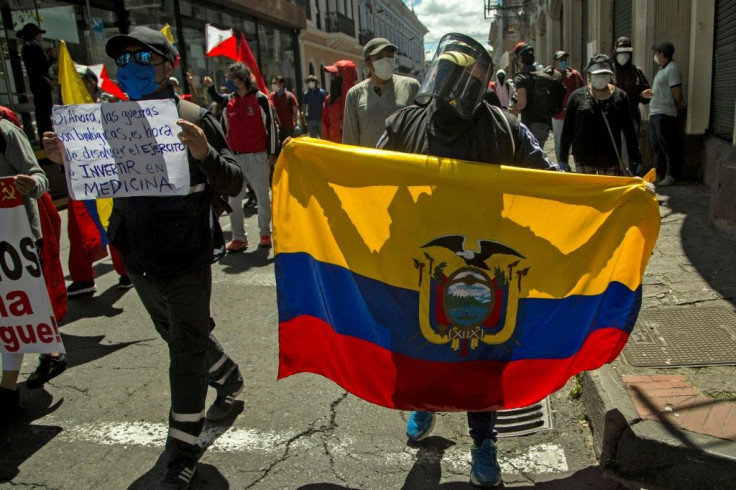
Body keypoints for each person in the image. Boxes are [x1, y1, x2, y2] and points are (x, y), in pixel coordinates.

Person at [43, 26, 245, 488]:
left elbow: (233, 182)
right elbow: (100, 179)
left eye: (142, 59)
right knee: (175, 336)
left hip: (186, 256)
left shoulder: (194, 115)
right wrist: (67, 160)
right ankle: (228, 376)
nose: (130, 69)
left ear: (167, 66)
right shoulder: (109, 119)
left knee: (185, 353)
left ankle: (181, 450)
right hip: (136, 254)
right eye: (123, 62)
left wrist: (203, 150)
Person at [378, 32, 557, 488]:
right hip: (420, 260)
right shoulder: (405, 123)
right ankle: (425, 403)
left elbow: (551, 180)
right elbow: (367, 169)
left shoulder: (505, 128)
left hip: (481, 264)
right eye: (450, 74)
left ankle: (483, 441)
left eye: (466, 78)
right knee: (420, 340)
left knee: (480, 353)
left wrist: (615, 197)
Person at [0, 111, 53, 422]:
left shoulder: (4, 132)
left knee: (13, 312)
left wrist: (31, 183)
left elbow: (40, 175)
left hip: (16, 239)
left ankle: (7, 390)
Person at [64, 67, 131, 297]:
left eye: (80, 81)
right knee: (78, 229)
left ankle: (126, 271)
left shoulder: (107, 109)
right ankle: (82, 279)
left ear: (92, 84)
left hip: (106, 177)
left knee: (112, 221)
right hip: (79, 178)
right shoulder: (66, 114)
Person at [204, 63, 277, 251]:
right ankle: (239, 237)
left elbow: (271, 127)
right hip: (235, 158)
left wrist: (272, 153)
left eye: (233, 78)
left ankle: (265, 234)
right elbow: (223, 129)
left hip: (258, 156)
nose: (230, 82)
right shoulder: (229, 102)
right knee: (234, 199)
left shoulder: (261, 100)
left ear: (243, 79)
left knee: (262, 197)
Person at [559, 54, 641, 175]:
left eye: (604, 75)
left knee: (609, 193)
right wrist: (563, 158)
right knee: (587, 193)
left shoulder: (620, 97)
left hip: (611, 159)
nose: (600, 78)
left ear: (610, 76)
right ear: (589, 75)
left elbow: (629, 130)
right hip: (584, 158)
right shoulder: (576, 97)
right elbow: (567, 130)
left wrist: (636, 157)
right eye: (597, 75)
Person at [343, 37, 420, 147]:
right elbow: (350, 139)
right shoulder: (355, 94)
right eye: (379, 57)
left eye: (389, 56)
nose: (386, 61)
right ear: (368, 64)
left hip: (402, 161)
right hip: (370, 162)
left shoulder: (411, 86)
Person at [642, 41, 683, 187]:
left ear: (661, 53)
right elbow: (662, 90)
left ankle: (671, 175)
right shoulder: (662, 70)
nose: (655, 55)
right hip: (655, 112)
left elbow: (677, 93)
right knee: (657, 146)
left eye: (657, 52)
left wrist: (676, 109)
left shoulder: (672, 69)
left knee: (667, 145)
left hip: (665, 114)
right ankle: (658, 174)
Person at [16, 23, 55, 141]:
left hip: (35, 84)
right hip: (41, 84)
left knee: (41, 113)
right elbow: (42, 67)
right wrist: (51, 58)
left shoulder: (26, 48)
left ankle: (45, 138)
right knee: (45, 113)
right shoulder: (34, 48)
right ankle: (47, 138)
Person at [510, 41, 551, 148]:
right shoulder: (542, 73)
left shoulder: (521, 77)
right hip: (544, 123)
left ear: (520, 58)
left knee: (530, 159)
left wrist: (513, 110)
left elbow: (522, 103)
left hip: (530, 124)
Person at [550, 51, 584, 170]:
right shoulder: (552, 76)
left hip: (572, 114)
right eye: (560, 60)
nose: (563, 62)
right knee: (558, 139)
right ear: (555, 62)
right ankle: (561, 163)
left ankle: (567, 158)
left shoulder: (575, 76)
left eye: (564, 59)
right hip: (557, 115)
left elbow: (582, 91)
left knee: (572, 138)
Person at [321, 60, 357, 143]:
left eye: (336, 74)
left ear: (346, 76)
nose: (333, 78)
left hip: (356, 148)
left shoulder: (359, 98)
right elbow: (325, 126)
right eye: (332, 75)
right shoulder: (329, 100)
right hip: (336, 148)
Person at [271, 75, 301, 142]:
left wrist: (297, 123)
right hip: (276, 129)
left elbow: (296, 112)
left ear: (282, 84)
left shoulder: (289, 96)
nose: (273, 85)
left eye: (275, 83)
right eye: (272, 83)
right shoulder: (271, 96)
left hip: (288, 129)